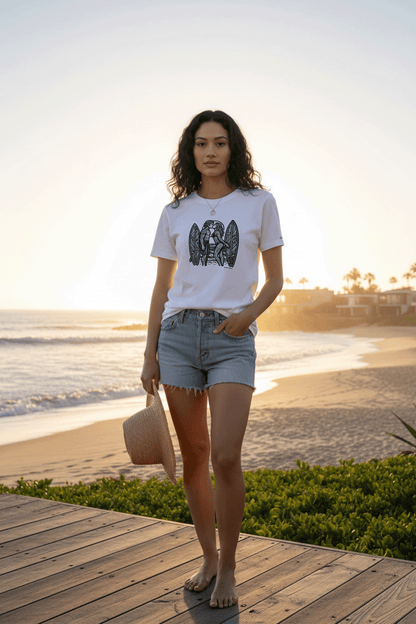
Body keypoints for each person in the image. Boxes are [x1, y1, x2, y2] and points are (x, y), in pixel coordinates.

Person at [141, 110, 284, 609]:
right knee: (195, 458)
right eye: (201, 143)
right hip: (177, 338)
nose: (210, 151)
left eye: (220, 143)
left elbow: (275, 281)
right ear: (191, 152)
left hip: (231, 337)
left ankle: (229, 568)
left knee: (225, 454)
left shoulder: (258, 203)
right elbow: (162, 288)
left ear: (233, 150)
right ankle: (206, 556)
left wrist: (246, 318)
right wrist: (149, 353)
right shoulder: (174, 212)